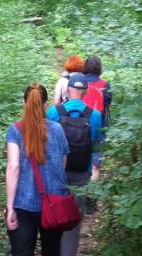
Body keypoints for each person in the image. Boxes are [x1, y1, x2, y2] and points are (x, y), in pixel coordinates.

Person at [6, 83, 70, 256]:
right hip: (54, 203)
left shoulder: (15, 130)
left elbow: (13, 167)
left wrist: (10, 207)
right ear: (46, 105)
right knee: (52, 251)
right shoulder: (57, 130)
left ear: (23, 103)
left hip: (23, 205)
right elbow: (63, 164)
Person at [46, 74, 102, 256]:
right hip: (81, 175)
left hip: (56, 175)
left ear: (68, 89)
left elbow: (46, 145)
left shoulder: (54, 112)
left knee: (53, 219)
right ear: (85, 92)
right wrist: (95, 171)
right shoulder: (94, 116)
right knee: (73, 224)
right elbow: (96, 146)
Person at [82, 56, 112, 182]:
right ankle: (92, 191)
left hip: (79, 121)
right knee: (96, 155)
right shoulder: (105, 84)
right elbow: (107, 103)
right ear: (99, 67)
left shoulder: (79, 81)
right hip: (99, 122)